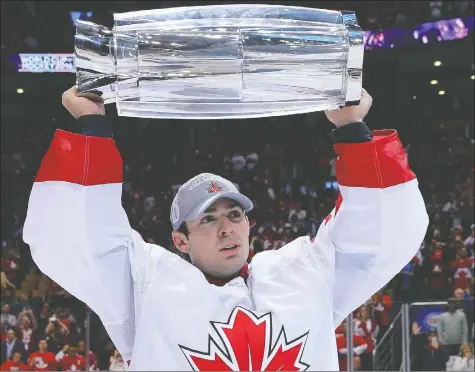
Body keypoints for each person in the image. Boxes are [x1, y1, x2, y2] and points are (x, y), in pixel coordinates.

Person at [23, 86, 429, 370]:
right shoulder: (146, 286)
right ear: (180, 240)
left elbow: (383, 234)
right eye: (207, 219)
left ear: (250, 224)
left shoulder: (304, 274)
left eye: (234, 215)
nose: (225, 229)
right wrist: (92, 125)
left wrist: (353, 129)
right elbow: (75, 238)